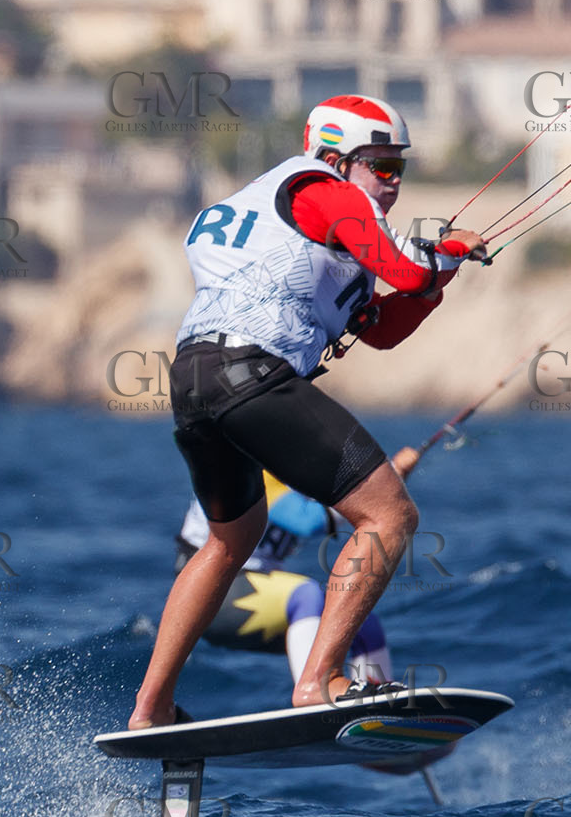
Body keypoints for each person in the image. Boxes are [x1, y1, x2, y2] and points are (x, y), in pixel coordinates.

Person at [128, 95, 485, 729]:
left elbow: (381, 329)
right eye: (380, 166)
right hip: (251, 376)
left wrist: (441, 274)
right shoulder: (323, 189)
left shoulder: (303, 218)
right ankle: (319, 682)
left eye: (399, 168)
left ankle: (150, 709)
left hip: (192, 380)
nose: (393, 182)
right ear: (333, 157)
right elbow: (404, 270)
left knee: (229, 539)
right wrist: (447, 253)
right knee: (390, 513)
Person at [175, 470, 394, 688]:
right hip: (211, 597)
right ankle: (313, 694)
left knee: (363, 622)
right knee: (306, 594)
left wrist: (384, 481)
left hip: (253, 591)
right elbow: (309, 521)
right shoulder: (254, 466)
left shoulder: (293, 465)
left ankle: (380, 703)